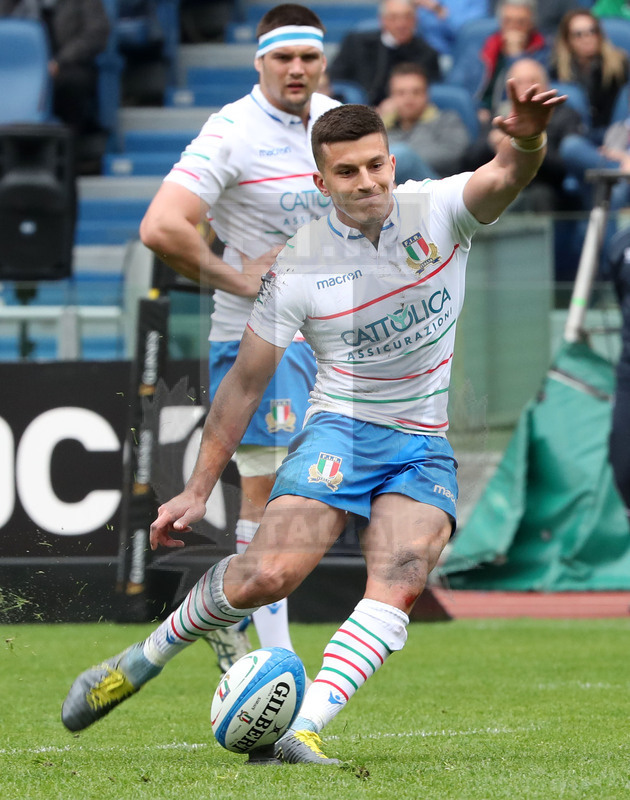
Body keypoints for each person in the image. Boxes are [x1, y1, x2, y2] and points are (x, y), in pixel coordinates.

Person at [62, 77, 565, 764]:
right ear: (321, 182)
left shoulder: (440, 208)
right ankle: (142, 659)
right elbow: (246, 382)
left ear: (393, 161)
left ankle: (305, 729)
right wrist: (198, 488)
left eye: (375, 164)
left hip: (421, 442)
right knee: (266, 576)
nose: (366, 182)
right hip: (340, 433)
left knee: (404, 572)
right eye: (347, 171)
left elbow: (508, 171)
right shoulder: (298, 266)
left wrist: (530, 136)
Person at [137, 4, 339, 673]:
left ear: (322, 60)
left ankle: (223, 617)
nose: (297, 69)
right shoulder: (233, 131)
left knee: (309, 500)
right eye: (284, 57)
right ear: (261, 61)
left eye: (308, 57)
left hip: (335, 346)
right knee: (269, 494)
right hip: (263, 345)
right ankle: (273, 665)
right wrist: (238, 279)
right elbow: (163, 225)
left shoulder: (336, 123)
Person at [462, 57, 585, 211]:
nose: (527, 87)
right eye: (519, 82)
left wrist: (529, 141)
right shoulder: (499, 116)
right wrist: (492, 143)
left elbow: (565, 167)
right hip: (502, 189)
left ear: (546, 86)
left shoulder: (564, 115)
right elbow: (468, 162)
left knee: (541, 195)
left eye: (533, 80)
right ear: (509, 91)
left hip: (544, 191)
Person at [0, 0, 110, 137]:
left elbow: (96, 33)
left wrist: (60, 61)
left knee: (74, 83)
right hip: (21, 69)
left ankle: (67, 144)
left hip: (67, 64)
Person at [448, 0, 548, 124]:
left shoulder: (542, 53)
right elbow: (455, 86)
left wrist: (515, 56)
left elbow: (523, 96)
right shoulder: (479, 47)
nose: (513, 27)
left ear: (531, 24)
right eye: (508, 21)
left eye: (521, 22)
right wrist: (475, 109)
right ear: (500, 22)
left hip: (514, 117)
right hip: (475, 115)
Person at [328, 0, 441, 108]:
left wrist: (398, 102)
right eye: (394, 17)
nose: (401, 24)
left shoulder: (427, 54)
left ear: (415, 20)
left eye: (407, 17)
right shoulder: (356, 43)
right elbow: (335, 78)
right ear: (382, 20)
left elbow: (426, 92)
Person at [380, 62, 471, 181]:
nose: (409, 99)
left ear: (427, 95)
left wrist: (409, 154)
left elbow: (456, 152)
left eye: (416, 92)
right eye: (401, 93)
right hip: (397, 193)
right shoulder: (384, 126)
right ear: (391, 98)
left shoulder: (447, 119)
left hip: (435, 187)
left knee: (402, 156)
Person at [550, 8, 628, 144]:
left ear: (600, 35)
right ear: (568, 40)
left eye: (592, 31)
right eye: (578, 34)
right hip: (576, 134)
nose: (587, 38)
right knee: (571, 147)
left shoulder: (620, 64)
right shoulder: (557, 70)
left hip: (616, 136)